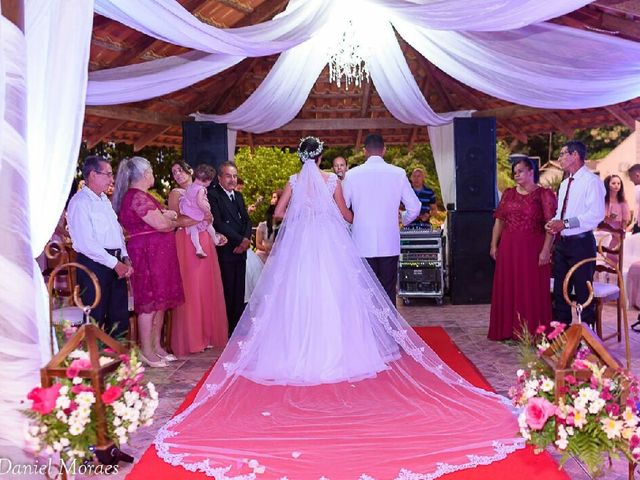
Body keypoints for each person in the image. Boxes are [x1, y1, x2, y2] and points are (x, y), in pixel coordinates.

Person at [155, 136, 522, 479]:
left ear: (301, 157)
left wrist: (302, 214)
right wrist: (334, 217)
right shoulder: (332, 181)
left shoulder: (295, 181)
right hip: (328, 247)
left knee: (297, 297)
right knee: (335, 296)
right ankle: (338, 348)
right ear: (319, 156)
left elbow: (279, 214)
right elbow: (346, 217)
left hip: (300, 249)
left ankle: (297, 348)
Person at [112, 156, 185, 367]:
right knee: (149, 303)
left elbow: (164, 220)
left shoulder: (144, 196)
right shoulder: (136, 197)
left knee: (160, 302)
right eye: (152, 171)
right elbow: (162, 223)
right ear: (145, 174)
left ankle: (157, 346)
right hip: (147, 254)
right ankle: (146, 350)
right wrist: (171, 219)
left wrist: (168, 218)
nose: (153, 175)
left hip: (158, 254)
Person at [342, 134, 421, 303]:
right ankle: (388, 328)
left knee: (365, 294)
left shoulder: (352, 175)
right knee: (388, 291)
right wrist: (403, 219)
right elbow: (415, 207)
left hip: (361, 242)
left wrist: (350, 226)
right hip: (389, 242)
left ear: (365, 151)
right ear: (384, 150)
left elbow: (342, 208)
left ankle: (368, 329)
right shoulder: (398, 174)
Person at [488, 157, 557, 341]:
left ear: (531, 171)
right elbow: (499, 220)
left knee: (530, 288)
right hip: (509, 247)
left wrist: (546, 250)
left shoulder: (544, 194)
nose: (516, 175)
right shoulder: (508, 194)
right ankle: (508, 330)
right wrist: (494, 244)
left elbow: (551, 225)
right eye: (515, 172)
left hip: (533, 248)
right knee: (508, 286)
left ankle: (533, 332)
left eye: (520, 171)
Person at [67, 155, 133, 338]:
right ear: (92, 175)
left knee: (118, 316)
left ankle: (120, 362)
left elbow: (116, 231)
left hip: (114, 261)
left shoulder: (104, 200)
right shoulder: (80, 203)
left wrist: (124, 256)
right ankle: (95, 361)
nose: (112, 179)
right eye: (108, 174)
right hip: (94, 264)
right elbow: (85, 243)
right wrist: (115, 264)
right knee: (95, 316)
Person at [168, 161, 229, 355]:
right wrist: (202, 218)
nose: (177, 174)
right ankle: (193, 339)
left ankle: (208, 336)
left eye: (180, 170)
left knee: (206, 287)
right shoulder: (176, 193)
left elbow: (208, 217)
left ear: (190, 171)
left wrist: (216, 234)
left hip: (204, 239)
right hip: (187, 241)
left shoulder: (201, 190)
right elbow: (176, 220)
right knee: (192, 288)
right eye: (174, 172)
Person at [545, 141, 606, 327]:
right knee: (560, 292)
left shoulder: (592, 181)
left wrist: (564, 223)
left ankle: (587, 341)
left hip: (581, 244)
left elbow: (595, 215)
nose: (559, 158)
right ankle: (560, 335)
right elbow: (563, 213)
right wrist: (554, 223)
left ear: (575, 155)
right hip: (563, 244)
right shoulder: (564, 184)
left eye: (562, 154)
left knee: (582, 292)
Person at [209, 161, 252, 334]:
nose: (232, 180)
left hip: (241, 252)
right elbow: (218, 223)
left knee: (239, 292)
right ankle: (226, 331)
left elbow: (247, 220)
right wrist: (240, 240)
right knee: (227, 292)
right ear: (220, 177)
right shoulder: (213, 195)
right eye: (228, 176)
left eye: (234, 176)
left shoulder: (239, 196)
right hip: (226, 250)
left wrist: (246, 240)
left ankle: (237, 330)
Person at [179, 164, 224, 258]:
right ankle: (215, 239)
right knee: (209, 225)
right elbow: (200, 202)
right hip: (197, 212)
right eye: (210, 181)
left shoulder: (190, 187)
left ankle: (198, 248)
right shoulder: (201, 189)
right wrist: (207, 211)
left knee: (193, 230)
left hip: (189, 212)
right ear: (206, 180)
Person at [602, 174, 630, 265]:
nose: (616, 185)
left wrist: (623, 231)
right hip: (605, 229)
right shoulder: (604, 200)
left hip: (618, 231)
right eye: (613, 183)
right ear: (607, 184)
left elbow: (625, 220)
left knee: (617, 251)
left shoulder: (623, 202)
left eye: (618, 183)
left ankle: (615, 269)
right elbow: (602, 218)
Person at [255, 189, 282, 263]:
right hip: (263, 256)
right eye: (272, 197)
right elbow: (258, 244)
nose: (272, 200)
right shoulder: (262, 225)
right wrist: (267, 249)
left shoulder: (283, 227)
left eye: (275, 197)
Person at [628, 164, 640, 234]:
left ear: (637, 175)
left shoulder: (638, 188)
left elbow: (637, 206)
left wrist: (633, 223)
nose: (630, 180)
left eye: (631, 177)